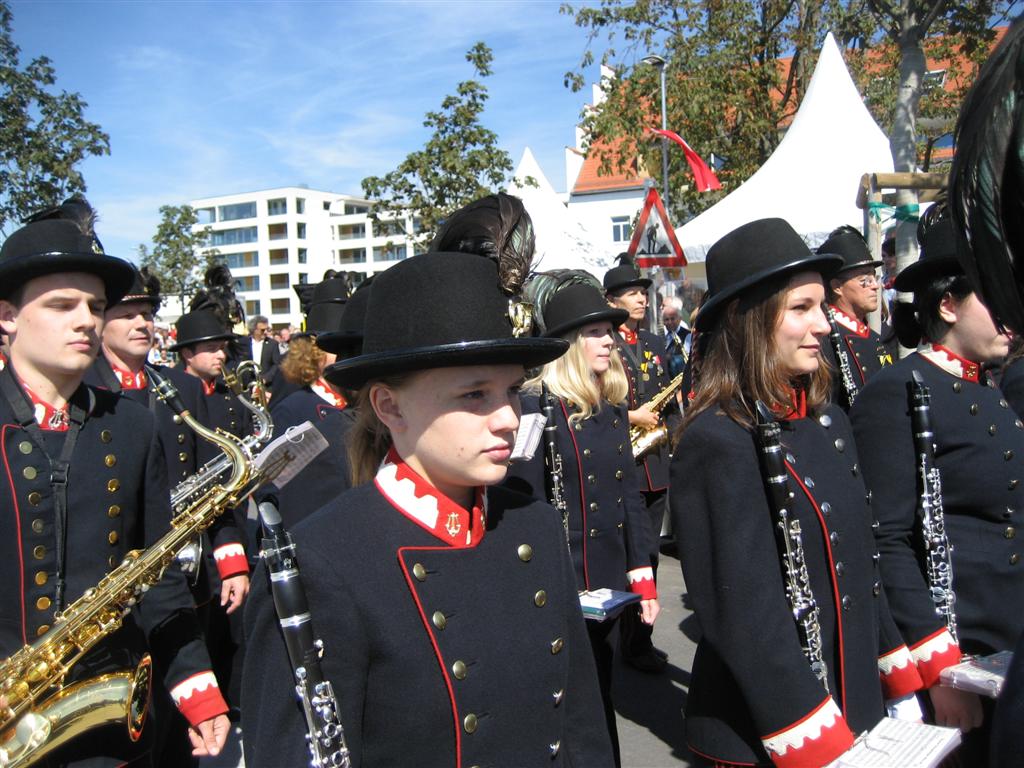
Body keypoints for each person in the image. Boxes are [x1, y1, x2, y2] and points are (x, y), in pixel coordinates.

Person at [242, 199, 614, 767]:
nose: (508, 417)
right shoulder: (323, 562)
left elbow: (581, 727)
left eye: (512, 390)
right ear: (389, 406)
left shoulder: (534, 524)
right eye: (474, 394)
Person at [671, 218, 923, 767]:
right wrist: (813, 735)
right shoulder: (717, 440)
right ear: (749, 322)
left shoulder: (828, 423)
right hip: (775, 726)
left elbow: (862, 567)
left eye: (821, 306)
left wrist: (895, 676)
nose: (823, 325)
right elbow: (742, 614)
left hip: (851, 700)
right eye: (801, 308)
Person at [0, 198, 230, 765]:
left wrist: (197, 688)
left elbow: (157, 570)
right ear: (7, 316)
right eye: (62, 305)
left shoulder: (132, 424)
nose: (86, 320)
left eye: (95, 306)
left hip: (108, 718)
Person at [850, 209, 1024, 763]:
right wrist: (939, 670)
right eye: (994, 298)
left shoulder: (991, 385)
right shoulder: (896, 391)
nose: (1012, 315)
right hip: (960, 655)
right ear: (948, 304)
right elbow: (887, 541)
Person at [506, 277, 659, 766]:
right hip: (558, 583)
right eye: (596, 332)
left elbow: (628, 496)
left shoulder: (610, 409)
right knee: (566, 707)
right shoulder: (533, 409)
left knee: (600, 692)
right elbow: (520, 505)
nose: (609, 341)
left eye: (609, 331)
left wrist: (642, 573)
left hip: (608, 583)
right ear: (570, 344)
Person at [604, 253, 675, 672]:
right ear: (612, 300)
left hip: (655, 463)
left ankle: (638, 640)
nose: (641, 299)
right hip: (623, 461)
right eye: (632, 293)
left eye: (643, 293)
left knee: (650, 555)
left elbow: (668, 397)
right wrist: (630, 417)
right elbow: (590, 402)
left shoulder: (652, 343)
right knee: (631, 555)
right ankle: (626, 641)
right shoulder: (603, 343)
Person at [258, 275, 359, 527]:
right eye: (338, 349)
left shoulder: (362, 406)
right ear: (315, 352)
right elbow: (272, 488)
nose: (348, 357)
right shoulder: (294, 410)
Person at [817, 225, 893, 406]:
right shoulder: (823, 339)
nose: (875, 286)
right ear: (837, 287)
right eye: (865, 280)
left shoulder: (876, 336)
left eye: (875, 278)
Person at [245, 314, 281, 389]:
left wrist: (266, 378)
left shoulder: (272, 344)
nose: (265, 332)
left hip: (266, 386)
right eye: (262, 330)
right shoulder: (245, 343)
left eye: (267, 329)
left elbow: (277, 364)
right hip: (248, 385)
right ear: (254, 330)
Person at [661, 296, 689, 379]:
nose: (669, 322)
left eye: (672, 319)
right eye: (666, 319)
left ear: (680, 319)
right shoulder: (662, 336)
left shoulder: (687, 336)